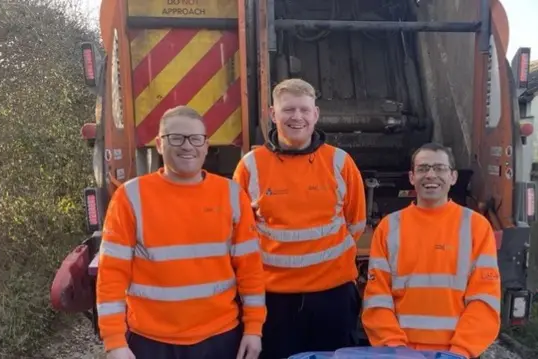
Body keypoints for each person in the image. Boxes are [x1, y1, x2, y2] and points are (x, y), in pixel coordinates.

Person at [95, 106, 266, 359]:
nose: (187, 146)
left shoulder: (231, 195)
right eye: (175, 138)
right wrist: (115, 343)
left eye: (196, 138)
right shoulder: (130, 197)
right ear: (159, 144)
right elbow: (111, 276)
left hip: (220, 339)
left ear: (206, 145)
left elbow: (250, 269)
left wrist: (254, 329)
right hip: (150, 343)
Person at [233, 78, 367, 359]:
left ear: (315, 114)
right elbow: (240, 232)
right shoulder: (251, 166)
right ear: (273, 114)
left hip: (333, 296)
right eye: (289, 110)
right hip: (274, 298)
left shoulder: (340, 162)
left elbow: (355, 223)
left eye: (305, 110)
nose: (297, 117)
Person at [361, 142, 501, 359]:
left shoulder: (476, 227)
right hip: (401, 353)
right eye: (423, 168)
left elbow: (484, 299)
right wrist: (395, 348)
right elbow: (377, 299)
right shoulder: (389, 228)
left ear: (453, 177)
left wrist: (461, 351)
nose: (431, 175)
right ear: (411, 177)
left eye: (439, 168)